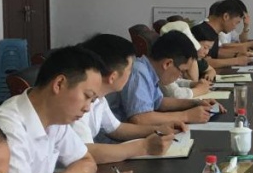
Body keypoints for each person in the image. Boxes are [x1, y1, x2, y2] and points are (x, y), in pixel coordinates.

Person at [0, 46, 135, 173]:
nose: (87, 108)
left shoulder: (56, 119)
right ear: (59, 84)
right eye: (87, 96)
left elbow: (86, 162)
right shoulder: (8, 127)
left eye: (92, 100)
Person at [76, 34, 186, 163]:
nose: (132, 72)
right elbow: (85, 153)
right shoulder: (78, 103)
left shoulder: (100, 99)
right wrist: (144, 146)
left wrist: (158, 129)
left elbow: (116, 128)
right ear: (113, 77)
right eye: (129, 69)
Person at [115, 31, 221, 126]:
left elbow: (159, 102)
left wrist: (195, 103)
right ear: (167, 64)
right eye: (182, 71)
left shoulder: (149, 71)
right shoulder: (139, 72)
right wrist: (186, 116)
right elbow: (139, 118)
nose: (180, 76)